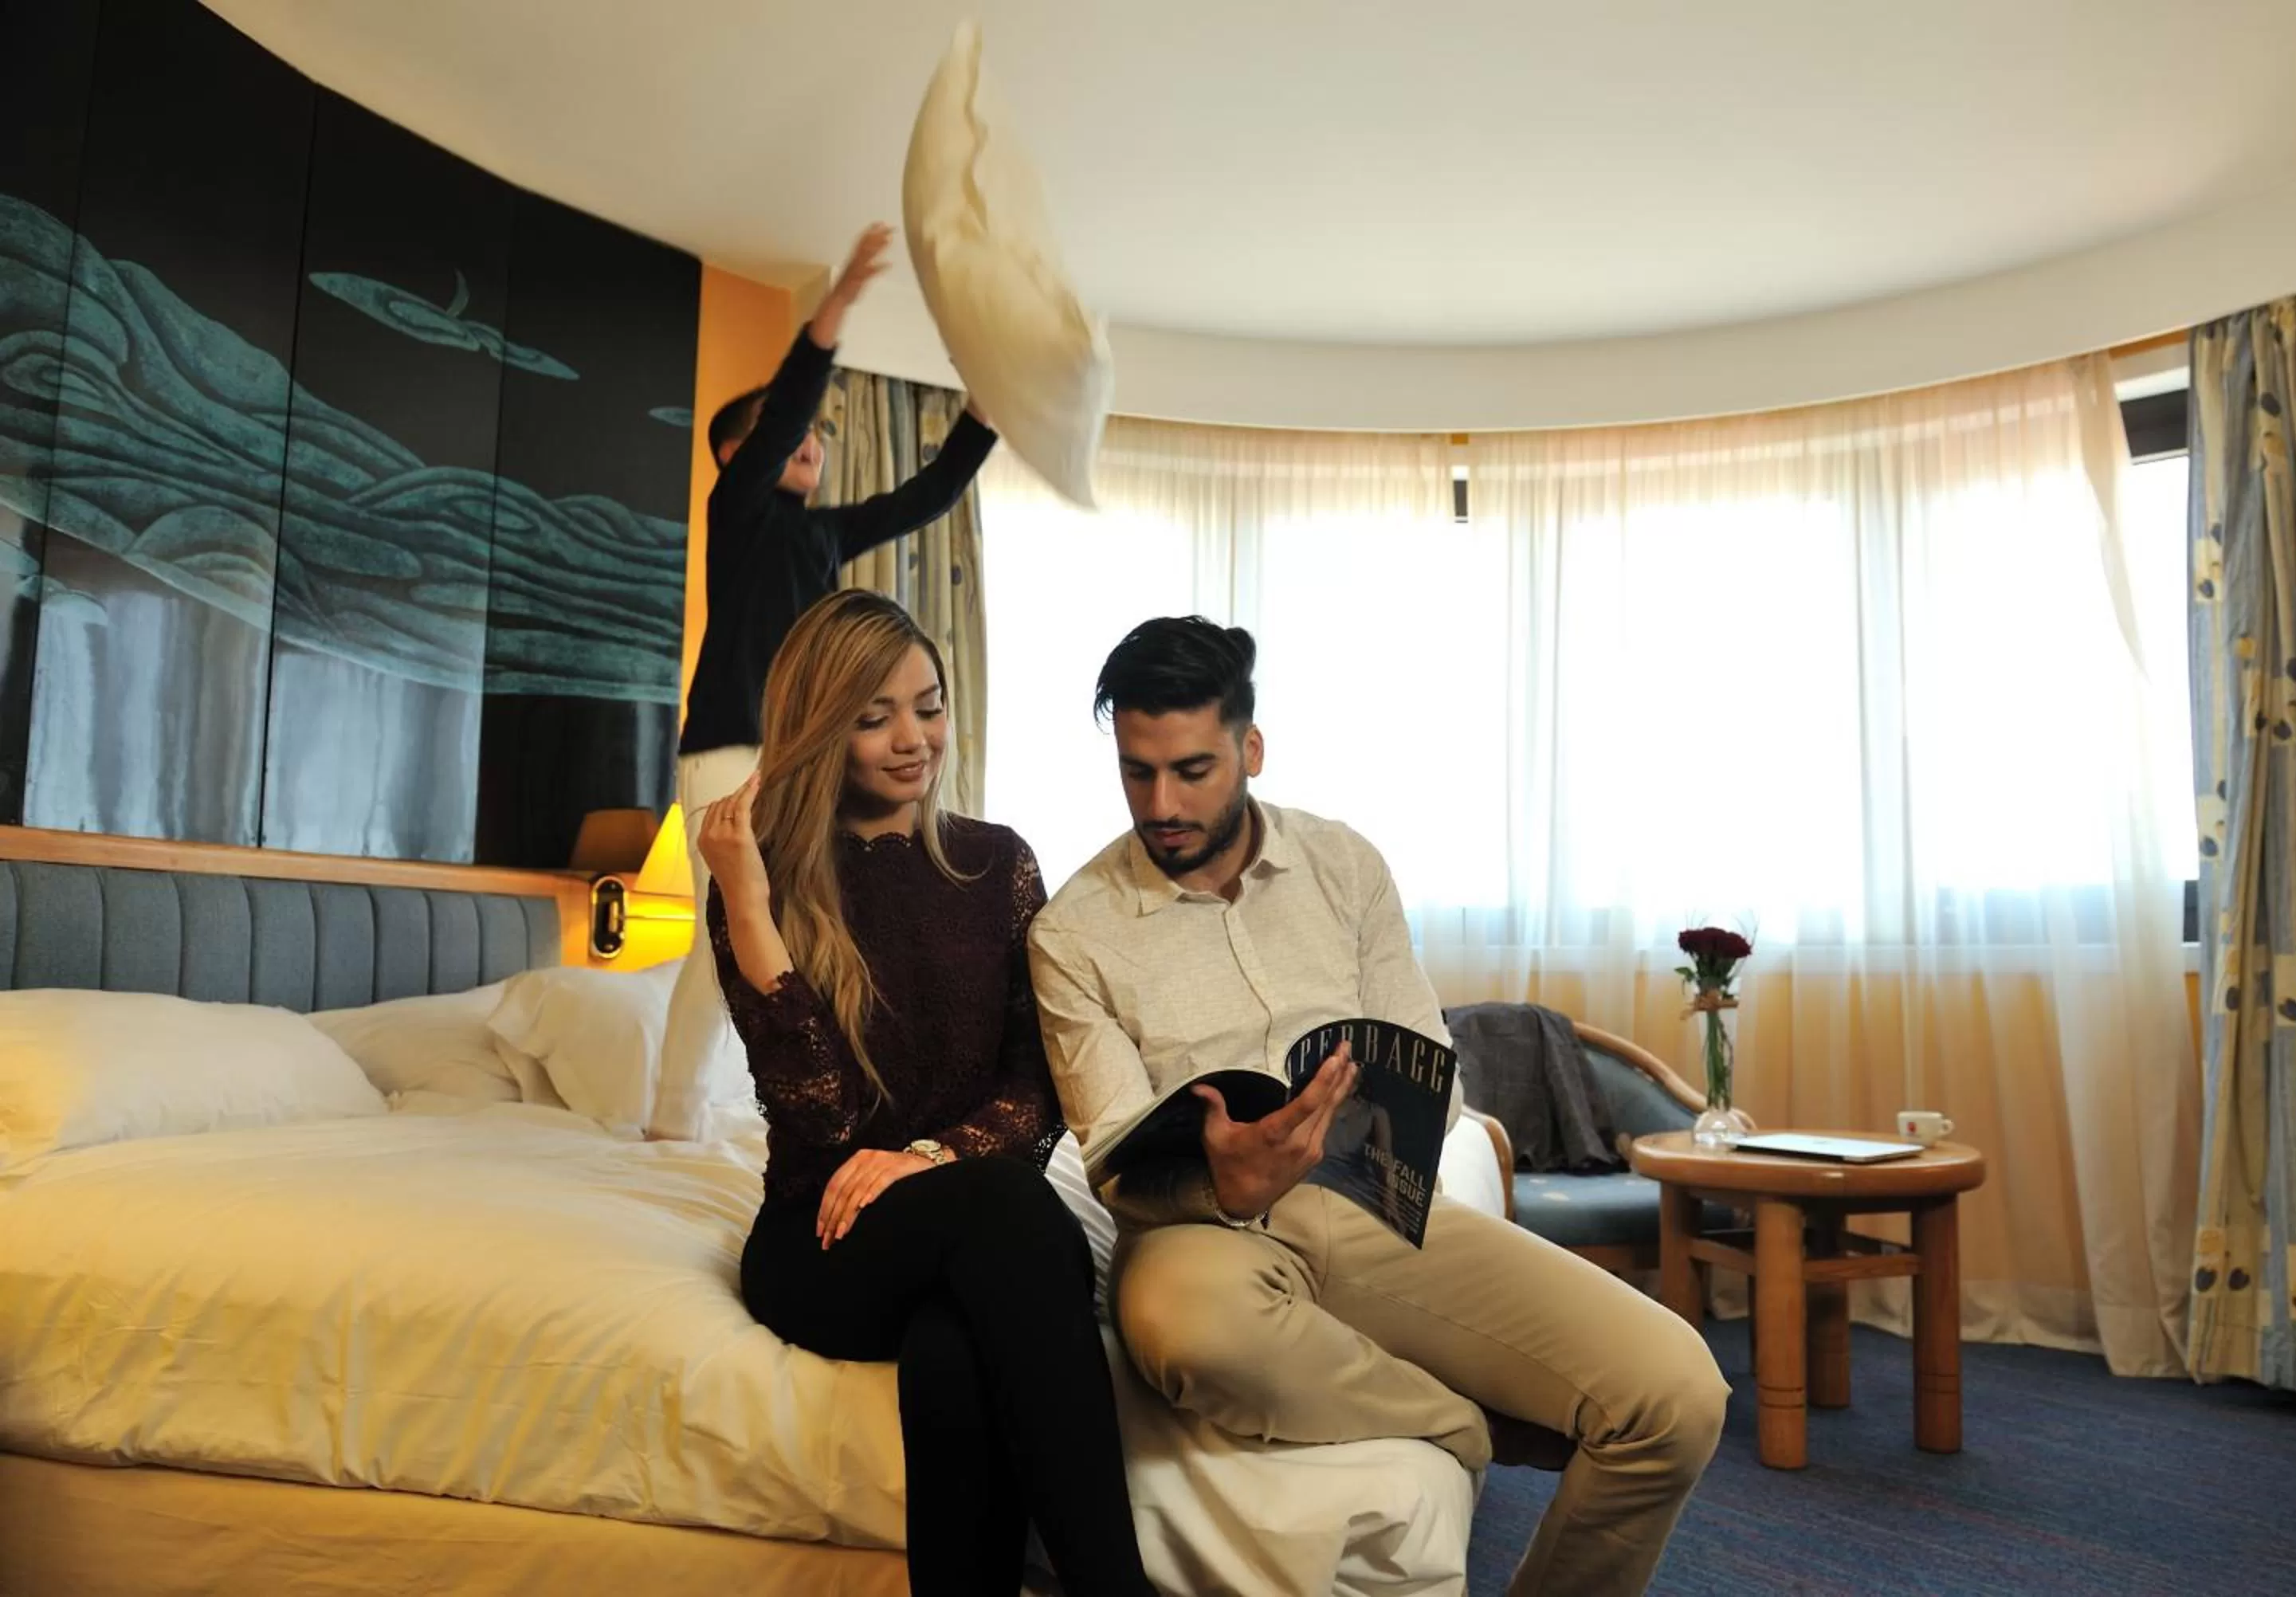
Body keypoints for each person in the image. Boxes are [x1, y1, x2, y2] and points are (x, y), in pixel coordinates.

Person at [1026, 616, 1728, 1597]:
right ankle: (1464, 1423)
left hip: (1374, 1202)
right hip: (1206, 1228)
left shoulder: (1344, 866)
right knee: (1187, 1332)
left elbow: (1427, 1049)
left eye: (1192, 769)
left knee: (1679, 1395)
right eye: (1137, 773)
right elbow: (1110, 1152)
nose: (1163, 803)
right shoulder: (1072, 929)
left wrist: (1388, 1117)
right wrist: (1222, 1180)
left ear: (1250, 748)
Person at [697, 590, 1152, 1597]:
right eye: (874, 718)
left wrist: (925, 1160)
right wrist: (747, 899)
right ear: (821, 730)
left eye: (929, 705)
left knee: (953, 1356)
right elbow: (816, 1109)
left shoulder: (999, 865)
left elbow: (1037, 1089)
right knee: (1011, 1212)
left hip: (966, 1213)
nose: (915, 740)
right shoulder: (761, 881)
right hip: (821, 1241)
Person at [659, 222, 997, 1140]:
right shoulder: (737, 512)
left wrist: (989, 413)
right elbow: (779, 419)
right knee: (720, 928)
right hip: (729, 741)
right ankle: (671, 1122)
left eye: (811, 434)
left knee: (811, 924)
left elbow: (924, 498)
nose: (806, 440)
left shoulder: (821, 533)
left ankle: (793, 1096)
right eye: (782, 434)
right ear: (740, 456)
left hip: (802, 750)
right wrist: (837, 307)